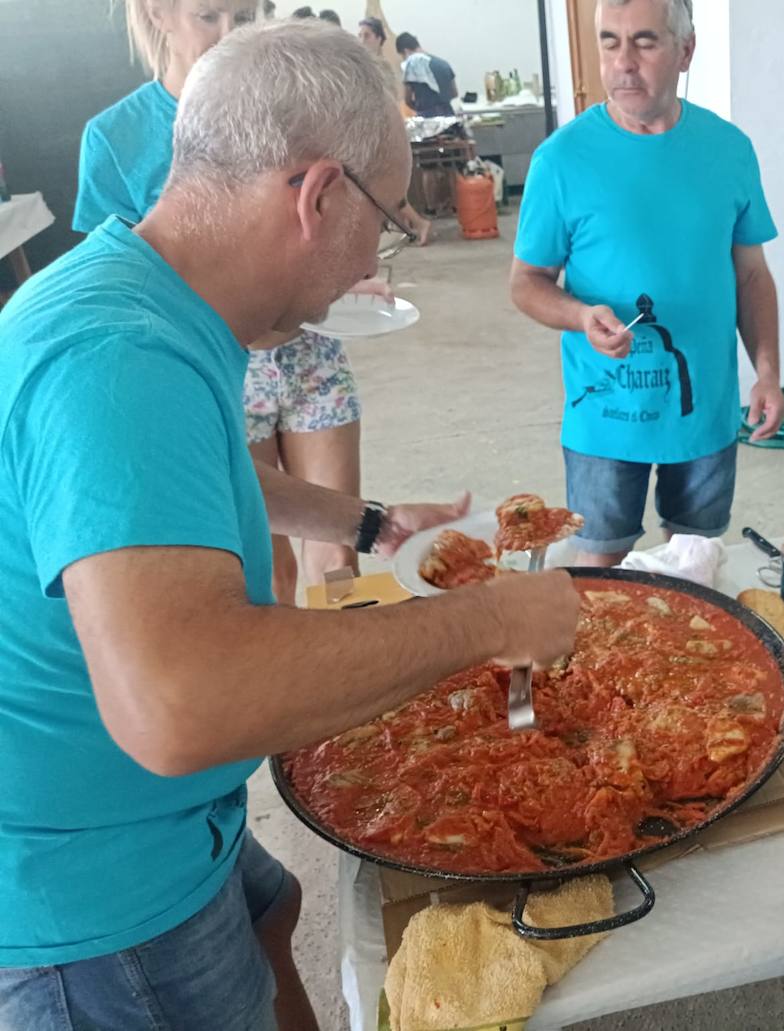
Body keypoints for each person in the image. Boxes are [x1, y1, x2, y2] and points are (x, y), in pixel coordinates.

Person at [0, 20, 580, 1031]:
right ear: (317, 196)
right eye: (389, 224)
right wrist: (489, 621)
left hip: (157, 828)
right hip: (93, 897)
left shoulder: (150, 290)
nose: (377, 259)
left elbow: (178, 482)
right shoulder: (115, 359)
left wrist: (365, 519)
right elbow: (182, 705)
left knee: (283, 913)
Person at [74, 0, 382, 601]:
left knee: (339, 544)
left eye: (244, 18)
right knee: (260, 556)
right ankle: (293, 689)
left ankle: (353, 680)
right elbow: (115, 276)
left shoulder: (287, 112)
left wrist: (347, 273)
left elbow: (320, 225)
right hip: (218, 366)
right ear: (159, 14)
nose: (227, 36)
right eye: (210, 17)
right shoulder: (117, 135)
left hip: (309, 353)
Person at [510, 0, 784, 566]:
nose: (623, 63)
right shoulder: (561, 160)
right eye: (610, 42)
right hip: (606, 419)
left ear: (686, 50)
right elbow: (527, 283)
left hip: (703, 413)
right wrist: (580, 316)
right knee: (602, 578)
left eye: (645, 42)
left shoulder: (728, 150)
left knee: (695, 567)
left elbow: (751, 273)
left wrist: (768, 373)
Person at [359, 15, 432, 245]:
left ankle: (418, 223)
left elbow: (388, 101)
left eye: (367, 36)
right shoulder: (363, 66)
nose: (362, 40)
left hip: (381, 133)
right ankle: (408, 226)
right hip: (367, 132)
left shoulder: (380, 68)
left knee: (382, 186)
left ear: (380, 39)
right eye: (359, 35)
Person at [395, 31, 457, 118]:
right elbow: (454, 93)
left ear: (406, 51)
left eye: (403, 57)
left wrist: (420, 109)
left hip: (428, 120)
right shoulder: (444, 64)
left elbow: (407, 100)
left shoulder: (411, 67)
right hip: (449, 116)